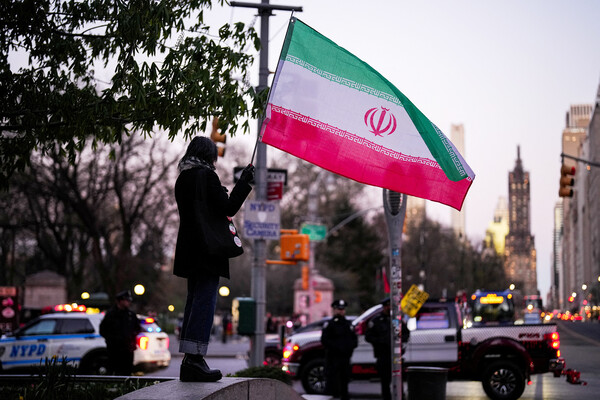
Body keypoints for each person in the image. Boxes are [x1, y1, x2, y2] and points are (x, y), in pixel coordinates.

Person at [173, 136, 254, 382]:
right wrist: (244, 182)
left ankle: (190, 359)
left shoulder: (182, 178)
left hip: (189, 250)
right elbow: (227, 208)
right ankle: (195, 358)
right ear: (209, 156)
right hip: (207, 249)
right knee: (205, 302)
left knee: (193, 301)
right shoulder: (206, 176)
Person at [365, 298, 410, 400]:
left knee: (398, 380)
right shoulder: (376, 321)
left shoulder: (397, 320)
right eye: (387, 306)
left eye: (390, 306)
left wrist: (400, 341)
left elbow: (406, 333)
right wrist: (380, 341)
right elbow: (368, 336)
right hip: (383, 355)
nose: (389, 308)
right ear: (384, 307)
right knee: (385, 382)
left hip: (396, 356)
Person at [321, 299, 358, 400]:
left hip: (345, 358)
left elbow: (354, 340)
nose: (341, 311)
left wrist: (348, 349)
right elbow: (325, 340)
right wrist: (337, 348)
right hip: (333, 359)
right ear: (334, 310)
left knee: (344, 383)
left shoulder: (348, 324)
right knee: (332, 384)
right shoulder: (330, 324)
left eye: (342, 309)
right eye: (339, 309)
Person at [99, 290, 141, 376]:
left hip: (128, 349)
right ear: (120, 301)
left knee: (127, 373)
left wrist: (131, 339)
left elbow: (137, 328)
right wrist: (111, 340)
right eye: (126, 300)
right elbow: (103, 330)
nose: (128, 302)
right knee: (114, 372)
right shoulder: (111, 314)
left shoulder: (130, 315)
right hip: (114, 350)